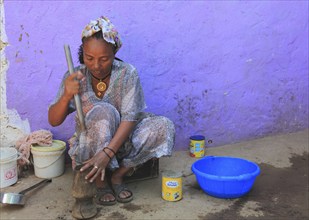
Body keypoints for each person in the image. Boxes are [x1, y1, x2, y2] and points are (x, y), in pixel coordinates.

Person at [48, 16, 175, 219]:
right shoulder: (75, 76)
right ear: (83, 53)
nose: (96, 65)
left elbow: (130, 118)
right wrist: (66, 95)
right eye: (89, 58)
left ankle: (117, 175)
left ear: (115, 53)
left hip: (123, 142)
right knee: (103, 111)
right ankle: (99, 182)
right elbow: (54, 120)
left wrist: (108, 153)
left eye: (104, 59)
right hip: (92, 143)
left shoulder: (127, 73)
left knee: (163, 126)